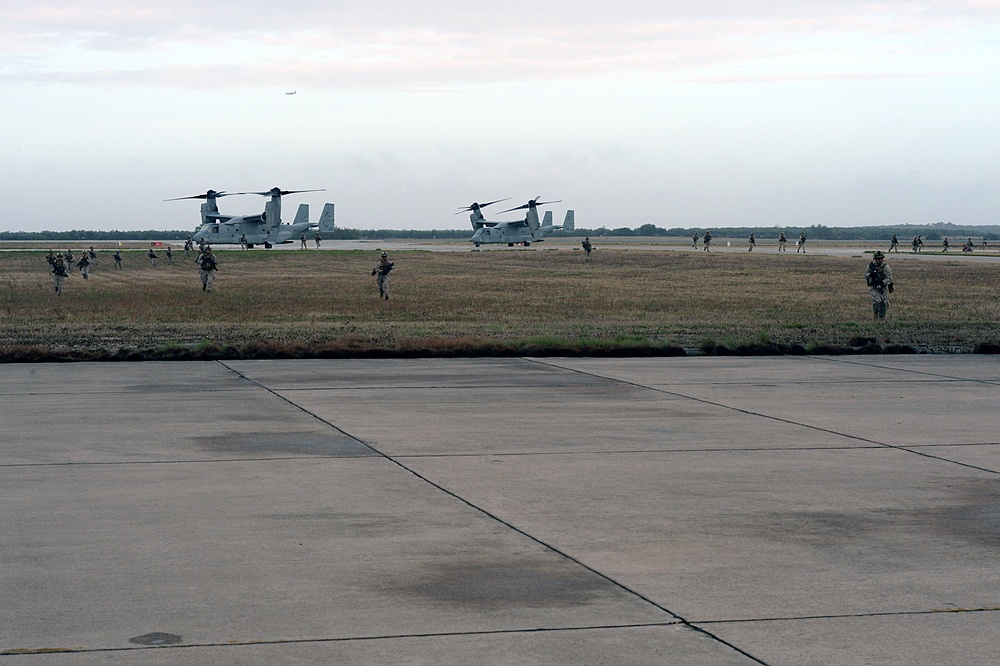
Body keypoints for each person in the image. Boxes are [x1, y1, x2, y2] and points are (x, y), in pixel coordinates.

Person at [864, 250, 893, 320]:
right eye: (878, 259)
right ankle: (876, 313)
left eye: (881, 259)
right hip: (874, 286)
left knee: (884, 303)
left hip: (883, 287)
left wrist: (882, 282)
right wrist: (871, 275)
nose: (880, 260)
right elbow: (865, 275)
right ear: (875, 259)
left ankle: (882, 318)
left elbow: (889, 278)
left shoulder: (886, 267)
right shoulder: (871, 266)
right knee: (877, 301)